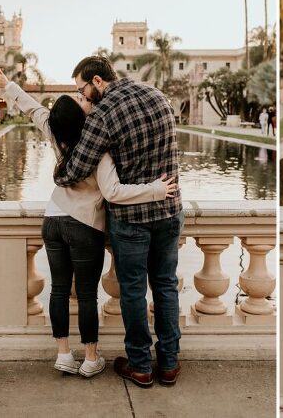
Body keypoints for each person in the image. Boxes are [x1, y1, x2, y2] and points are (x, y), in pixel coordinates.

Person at [0, 67, 177, 379]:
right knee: (89, 294)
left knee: (59, 289)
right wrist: (155, 189)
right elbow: (113, 191)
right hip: (84, 224)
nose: (84, 99)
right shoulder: (97, 146)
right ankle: (90, 358)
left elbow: (33, 109)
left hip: (53, 219)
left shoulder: (54, 133)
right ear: (82, 116)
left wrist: (9, 86)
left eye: (81, 94)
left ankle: (63, 354)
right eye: (81, 100)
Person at [53, 56, 183, 389]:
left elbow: (79, 166)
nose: (82, 95)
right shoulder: (156, 94)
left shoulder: (103, 113)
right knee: (166, 286)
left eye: (82, 88)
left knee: (134, 292)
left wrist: (58, 173)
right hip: (170, 211)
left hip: (132, 221)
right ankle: (169, 363)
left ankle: (141, 365)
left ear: (97, 81)